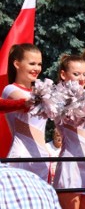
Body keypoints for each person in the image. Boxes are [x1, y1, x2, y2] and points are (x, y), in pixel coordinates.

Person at [52, 54, 85, 209]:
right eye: (77, 74)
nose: (82, 78)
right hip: (71, 163)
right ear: (63, 75)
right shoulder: (56, 98)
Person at [2, 43, 50, 181]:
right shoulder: (10, 89)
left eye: (39, 64)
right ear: (17, 64)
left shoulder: (41, 92)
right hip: (21, 158)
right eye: (32, 64)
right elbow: (29, 102)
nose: (37, 69)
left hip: (42, 158)